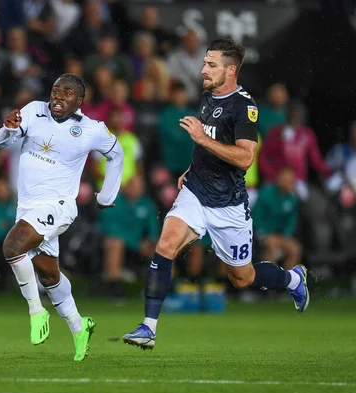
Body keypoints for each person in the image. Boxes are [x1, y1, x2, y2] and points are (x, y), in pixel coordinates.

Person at [122, 39, 309, 350]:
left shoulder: (244, 107)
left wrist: (201, 140)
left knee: (242, 278)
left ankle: (293, 280)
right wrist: (190, 167)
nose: (203, 70)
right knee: (166, 243)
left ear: (230, 70)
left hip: (228, 205)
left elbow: (245, 158)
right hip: (195, 190)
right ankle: (148, 327)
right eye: (204, 63)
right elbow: (207, 140)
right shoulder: (209, 95)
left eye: (211, 65)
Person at [0, 73, 124, 361]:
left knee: (13, 247)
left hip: (59, 205)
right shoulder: (32, 110)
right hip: (27, 206)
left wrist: (107, 196)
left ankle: (36, 311)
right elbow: (1, 143)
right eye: (55, 91)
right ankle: (80, 328)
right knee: (49, 274)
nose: (58, 97)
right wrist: (7, 128)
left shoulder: (91, 129)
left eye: (67, 93)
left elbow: (117, 155)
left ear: (79, 101)